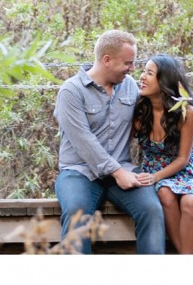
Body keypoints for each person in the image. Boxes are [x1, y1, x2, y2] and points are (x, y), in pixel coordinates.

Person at [53, 30, 165, 254]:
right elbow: (83, 141)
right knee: (76, 213)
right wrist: (117, 172)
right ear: (107, 60)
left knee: (152, 209)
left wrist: (184, 135)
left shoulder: (130, 86)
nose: (132, 69)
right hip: (79, 171)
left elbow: (151, 119)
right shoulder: (71, 91)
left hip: (123, 168)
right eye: (128, 63)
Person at [133, 54, 193, 254]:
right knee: (165, 192)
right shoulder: (138, 111)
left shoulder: (186, 112)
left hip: (187, 169)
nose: (142, 77)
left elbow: (183, 159)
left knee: (190, 201)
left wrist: (155, 177)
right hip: (155, 169)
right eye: (143, 71)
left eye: (149, 73)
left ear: (164, 81)